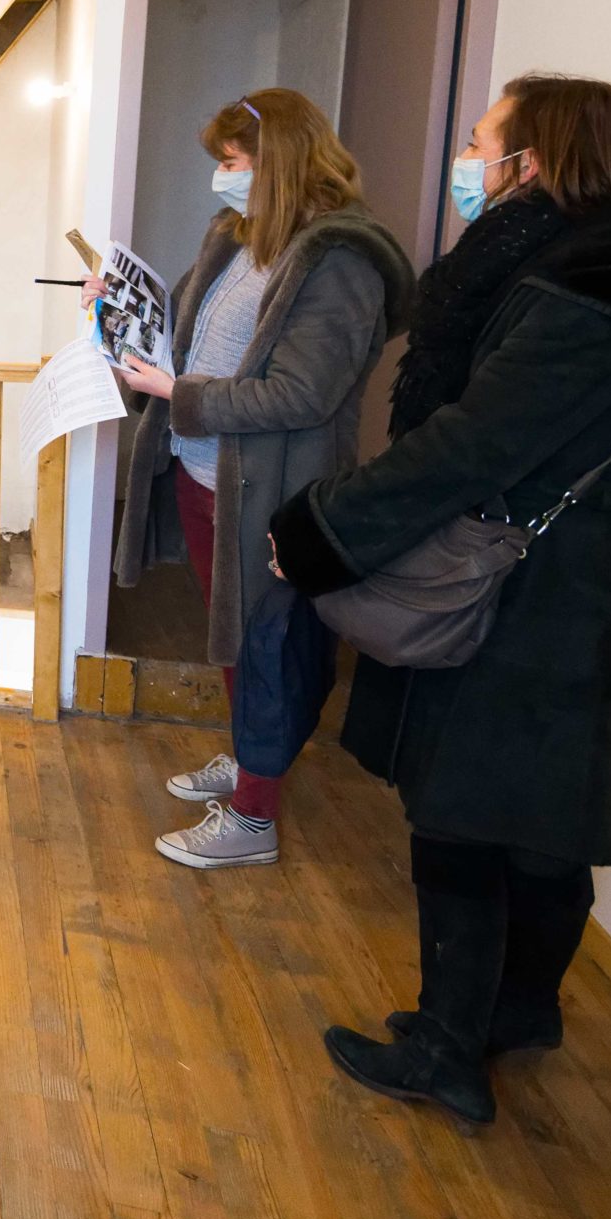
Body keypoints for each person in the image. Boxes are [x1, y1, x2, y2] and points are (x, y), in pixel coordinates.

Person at [270, 74, 611, 1128]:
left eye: (481, 141)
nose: (468, 160)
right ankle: (510, 1012)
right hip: (580, 581)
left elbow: (471, 444)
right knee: (538, 813)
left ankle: (448, 1050)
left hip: (535, 589)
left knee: (466, 815)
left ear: (535, 160)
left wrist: (319, 531)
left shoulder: (585, 293)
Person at [107, 88, 415, 870]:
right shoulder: (240, 236)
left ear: (276, 160)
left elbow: (301, 395)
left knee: (270, 643)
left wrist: (177, 393)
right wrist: (117, 308)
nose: (223, 174)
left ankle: (253, 817)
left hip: (274, 489)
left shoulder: (341, 260)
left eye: (233, 159)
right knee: (234, 636)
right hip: (206, 471)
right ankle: (252, 756)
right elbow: (186, 326)